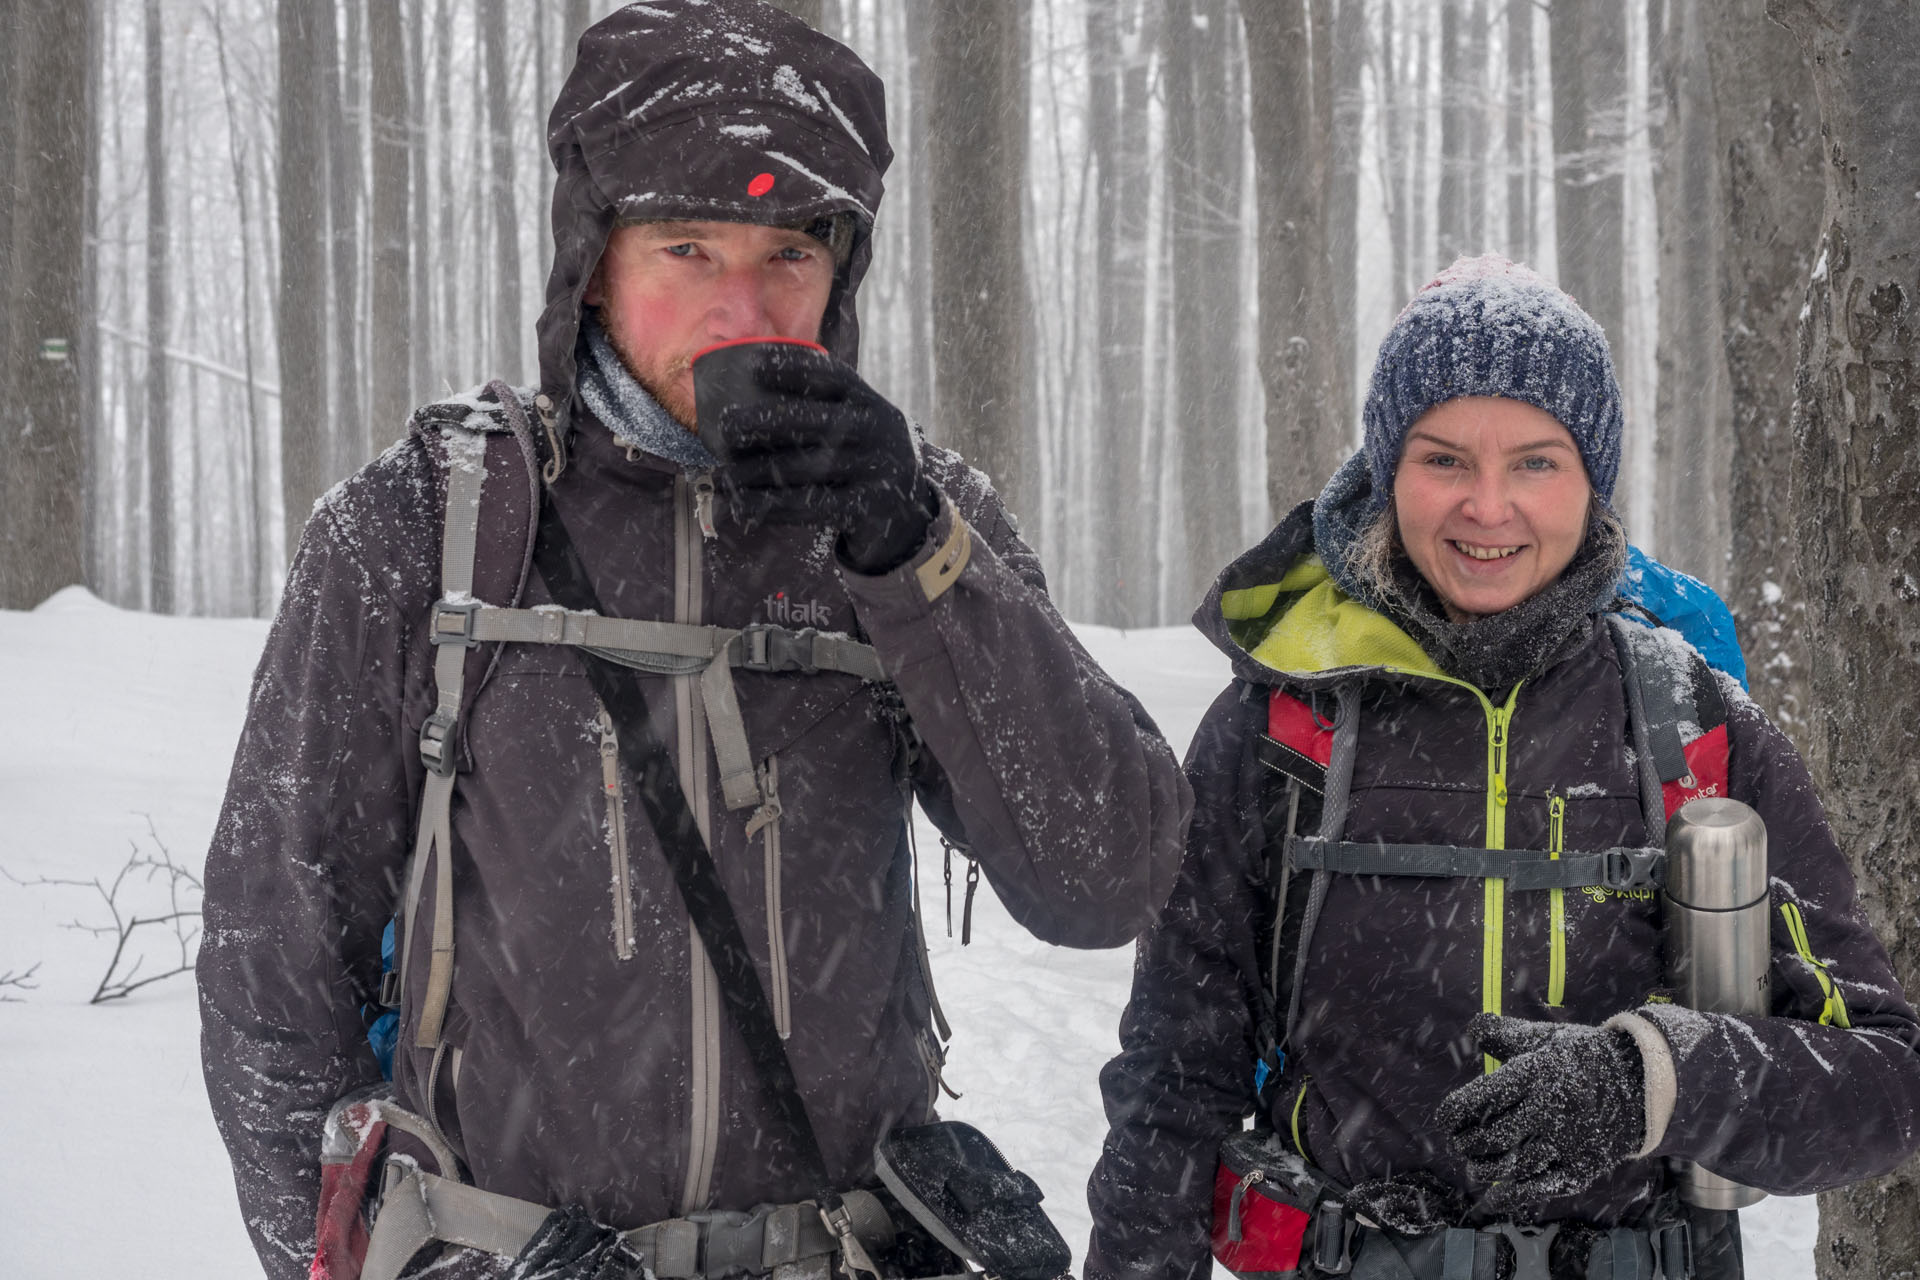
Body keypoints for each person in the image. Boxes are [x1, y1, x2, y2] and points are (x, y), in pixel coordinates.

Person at [198, 5, 1189, 1279]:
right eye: (684, 247)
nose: (744, 306)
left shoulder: (919, 523)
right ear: (592, 256)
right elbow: (271, 967)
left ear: (845, 264)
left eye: (788, 250)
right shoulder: (426, 523)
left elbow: (1107, 871)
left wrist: (917, 558)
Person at [1085, 256, 1920, 1280]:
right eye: (1444, 459)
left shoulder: (1692, 725)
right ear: (1388, 470)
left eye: (1536, 461)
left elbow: (1885, 1081)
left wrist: (1649, 1080)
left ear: (1592, 480)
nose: (1488, 507)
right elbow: (1174, 1079)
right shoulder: (1283, 724)